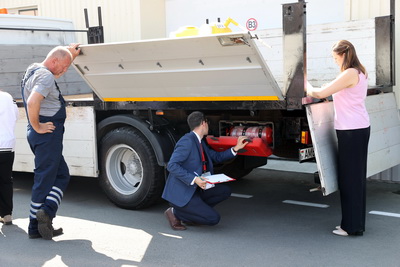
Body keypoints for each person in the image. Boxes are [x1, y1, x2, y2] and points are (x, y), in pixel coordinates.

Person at [307, 40, 370, 237]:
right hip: (359, 128)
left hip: (350, 131)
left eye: (335, 58)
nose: (335, 62)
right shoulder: (360, 71)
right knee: (356, 178)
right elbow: (343, 93)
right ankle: (355, 224)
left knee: (349, 179)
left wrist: (306, 83)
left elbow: (320, 92)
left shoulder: (349, 73)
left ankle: (350, 227)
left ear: (344, 55)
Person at [21, 44, 80, 239]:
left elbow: (57, 62)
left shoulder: (34, 69)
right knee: (44, 179)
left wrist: (70, 54)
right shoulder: (46, 76)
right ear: (53, 61)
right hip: (47, 134)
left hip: (40, 135)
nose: (63, 71)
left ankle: (45, 216)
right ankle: (37, 224)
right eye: (63, 67)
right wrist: (38, 126)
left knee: (61, 175)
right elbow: (32, 102)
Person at [162, 111, 249, 230]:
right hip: (184, 193)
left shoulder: (200, 141)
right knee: (213, 219)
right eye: (207, 123)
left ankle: (194, 214)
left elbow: (216, 157)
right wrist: (194, 179)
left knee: (225, 191)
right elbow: (172, 165)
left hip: (197, 188)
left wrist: (236, 148)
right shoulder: (187, 141)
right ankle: (175, 212)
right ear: (203, 123)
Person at [0, 90, 19, 225]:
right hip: (7, 145)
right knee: (6, 181)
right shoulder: (8, 96)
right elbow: (16, 116)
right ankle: (7, 214)